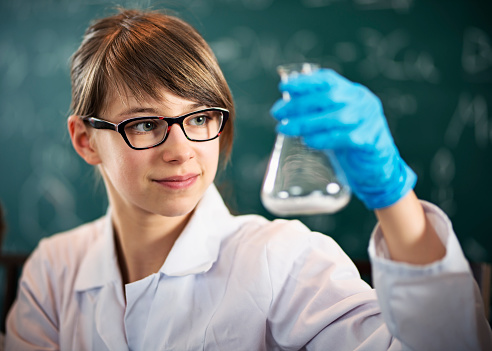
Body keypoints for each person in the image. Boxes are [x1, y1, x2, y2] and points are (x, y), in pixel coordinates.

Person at [5, 8, 492, 351]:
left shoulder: (284, 259)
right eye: (146, 123)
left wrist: (393, 195)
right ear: (86, 140)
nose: (181, 151)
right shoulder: (55, 268)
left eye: (199, 119)